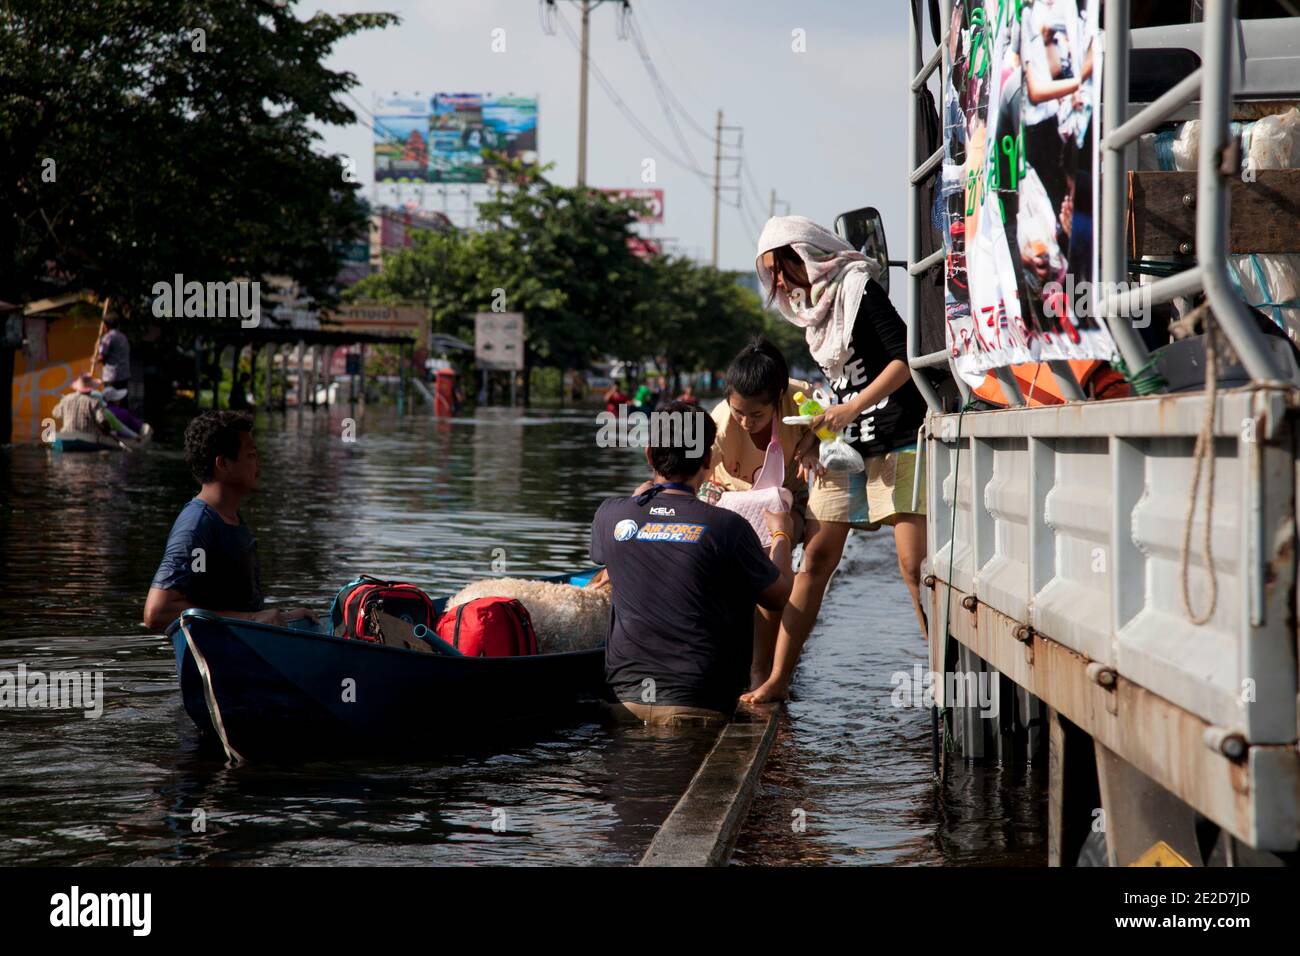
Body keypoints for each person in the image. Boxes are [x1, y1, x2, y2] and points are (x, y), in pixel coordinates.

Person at [744, 216, 930, 704]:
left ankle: (942, 670)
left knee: (913, 567)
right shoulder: (812, 313)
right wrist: (817, 433)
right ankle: (778, 680)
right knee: (815, 562)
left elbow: (902, 360)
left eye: (782, 269)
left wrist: (851, 408)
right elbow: (839, 389)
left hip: (898, 436)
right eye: (771, 275)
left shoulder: (856, 286)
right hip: (845, 444)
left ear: (804, 253)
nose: (779, 283)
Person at [591, 400, 794, 724]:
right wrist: (782, 533)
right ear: (708, 461)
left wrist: (639, 505)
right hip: (700, 705)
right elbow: (779, 594)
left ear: (649, 455)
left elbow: (640, 541)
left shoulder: (609, 515)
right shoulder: (728, 526)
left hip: (621, 705)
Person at [702, 338, 817, 689]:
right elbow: (683, 474)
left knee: (771, 565)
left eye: (757, 414)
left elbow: (830, 429)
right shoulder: (718, 424)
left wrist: (814, 446)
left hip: (784, 502)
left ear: (778, 400)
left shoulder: (801, 398)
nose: (746, 422)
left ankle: (760, 668)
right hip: (728, 498)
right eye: (739, 412)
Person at [142, 411, 318, 631]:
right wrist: (254, 620)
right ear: (223, 463)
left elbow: (237, 609)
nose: (258, 464)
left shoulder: (230, 518)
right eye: (251, 455)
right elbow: (157, 612)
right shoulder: (197, 526)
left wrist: (288, 619)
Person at [97, 313, 131, 410]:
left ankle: (112, 422)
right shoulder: (123, 337)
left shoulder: (108, 337)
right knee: (123, 402)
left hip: (112, 376)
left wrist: (95, 359)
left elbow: (102, 356)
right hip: (123, 375)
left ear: (106, 325)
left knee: (110, 403)